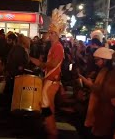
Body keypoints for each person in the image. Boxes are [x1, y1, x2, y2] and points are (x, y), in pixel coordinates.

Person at [30, 9, 66, 139]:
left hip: (52, 81)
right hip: (50, 80)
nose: (48, 35)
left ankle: (52, 131)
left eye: (51, 33)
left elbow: (52, 64)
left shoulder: (57, 47)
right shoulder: (54, 47)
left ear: (55, 34)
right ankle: (49, 127)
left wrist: (39, 63)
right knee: (48, 105)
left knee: (45, 104)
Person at [80, 47, 115, 138]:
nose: (96, 63)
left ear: (104, 59)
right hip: (101, 108)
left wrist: (90, 85)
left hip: (106, 109)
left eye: (97, 60)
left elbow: (107, 92)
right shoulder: (106, 69)